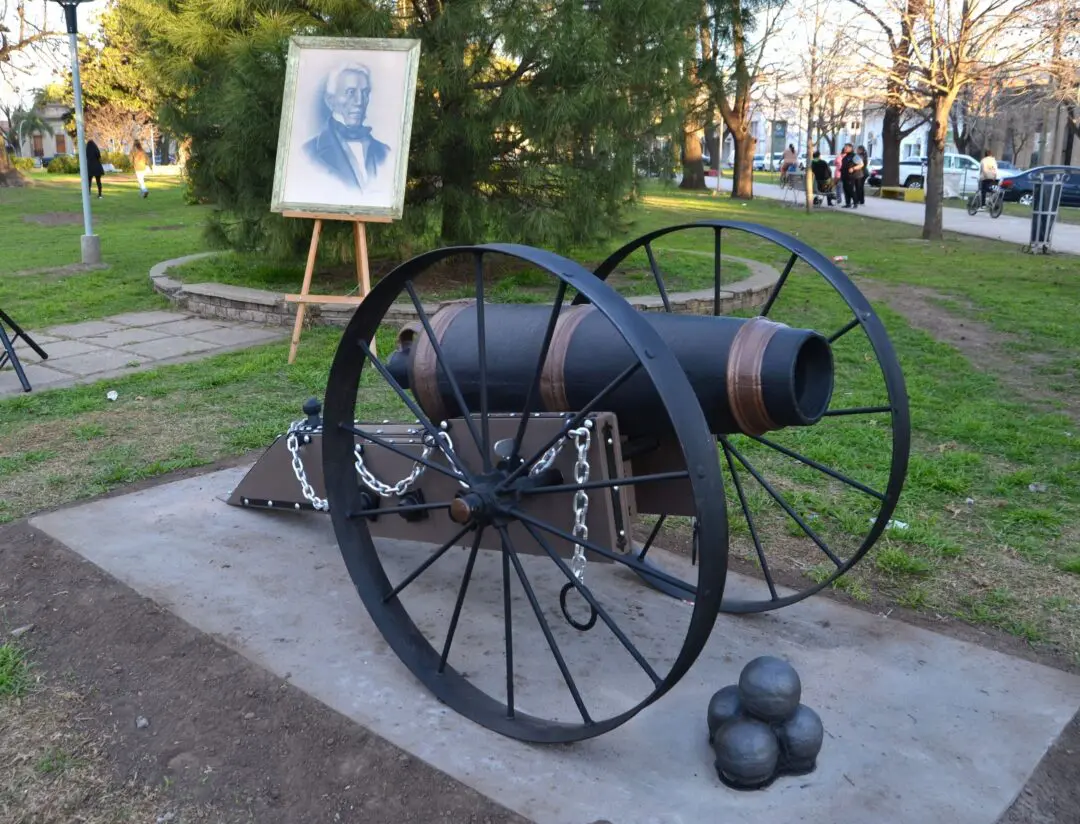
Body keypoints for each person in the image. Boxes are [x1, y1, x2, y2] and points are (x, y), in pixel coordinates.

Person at [304, 63, 390, 191]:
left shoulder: (384, 152)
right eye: (351, 92)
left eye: (365, 92)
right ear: (330, 101)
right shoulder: (308, 153)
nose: (360, 101)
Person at [839, 144, 858, 208]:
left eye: (846, 147)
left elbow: (861, 164)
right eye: (845, 147)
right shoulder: (845, 157)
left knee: (850, 190)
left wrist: (853, 168)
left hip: (850, 176)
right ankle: (848, 203)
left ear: (851, 148)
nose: (845, 148)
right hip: (844, 176)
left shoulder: (854, 156)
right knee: (846, 190)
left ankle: (855, 203)